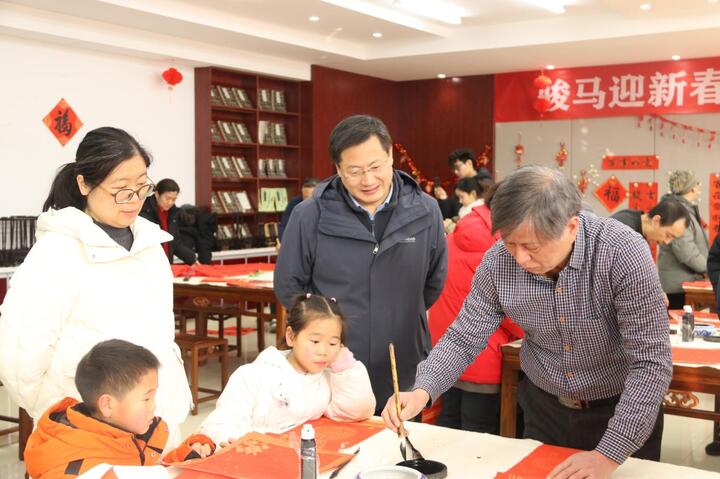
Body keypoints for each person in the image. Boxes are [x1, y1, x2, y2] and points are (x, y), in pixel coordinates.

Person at [382, 165, 671, 479]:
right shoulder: (498, 261)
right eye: (510, 242)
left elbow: (650, 362)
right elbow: (464, 337)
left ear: (571, 227)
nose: (519, 258)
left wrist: (608, 454)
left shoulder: (622, 252)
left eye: (532, 246)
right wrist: (422, 390)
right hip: (546, 410)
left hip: (621, 409)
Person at [0, 127, 192, 447]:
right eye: (121, 189)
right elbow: (19, 358)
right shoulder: (57, 253)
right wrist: (65, 415)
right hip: (85, 433)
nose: (134, 200)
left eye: (141, 186)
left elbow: (162, 338)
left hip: (157, 426)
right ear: (84, 184)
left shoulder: (150, 247)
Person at [274, 114, 447, 413]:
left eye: (375, 167)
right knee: (335, 440)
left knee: (399, 437)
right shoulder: (310, 215)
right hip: (332, 366)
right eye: (354, 171)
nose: (368, 180)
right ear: (338, 169)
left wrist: (395, 313)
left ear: (391, 156)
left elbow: (433, 282)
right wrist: (326, 335)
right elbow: (289, 286)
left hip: (402, 359)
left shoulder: (426, 211)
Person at [198, 294, 375, 446]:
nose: (323, 351)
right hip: (255, 457)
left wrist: (344, 366)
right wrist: (235, 441)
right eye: (315, 341)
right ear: (291, 336)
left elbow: (357, 410)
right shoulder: (253, 376)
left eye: (333, 343)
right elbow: (220, 424)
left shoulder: (327, 378)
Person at [24, 340, 214, 479]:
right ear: (107, 405)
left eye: (154, 396)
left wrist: (190, 452)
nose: (153, 406)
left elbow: (152, 468)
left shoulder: (130, 433)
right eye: (146, 398)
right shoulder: (71, 465)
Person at [429, 185, 523, 433]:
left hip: (445, 347)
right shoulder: (502, 246)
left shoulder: (457, 232)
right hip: (484, 351)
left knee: (447, 424)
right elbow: (510, 308)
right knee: (478, 432)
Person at [657, 170, 709, 309]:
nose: (698, 188)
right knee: (681, 322)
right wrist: (708, 268)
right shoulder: (677, 211)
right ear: (692, 188)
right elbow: (686, 252)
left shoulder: (682, 209)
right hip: (678, 287)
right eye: (697, 184)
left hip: (682, 283)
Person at [139, 178, 198, 265]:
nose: (170, 202)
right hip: (149, 264)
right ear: (157, 194)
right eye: (167, 198)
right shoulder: (144, 212)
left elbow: (174, 242)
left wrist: (192, 259)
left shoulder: (173, 214)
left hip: (167, 264)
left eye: (174, 199)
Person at [434, 148, 493, 219]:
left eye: (457, 167)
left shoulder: (485, 184)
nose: (455, 172)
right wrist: (444, 199)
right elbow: (452, 212)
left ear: (469, 163)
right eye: (453, 169)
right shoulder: (460, 184)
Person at [610, 198, 689, 245]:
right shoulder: (625, 230)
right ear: (656, 221)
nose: (667, 242)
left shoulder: (635, 223)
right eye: (668, 235)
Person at [278, 177, 319, 243]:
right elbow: (284, 226)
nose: (306, 201)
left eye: (310, 198)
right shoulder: (295, 203)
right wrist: (284, 243)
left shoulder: (327, 206)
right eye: (304, 197)